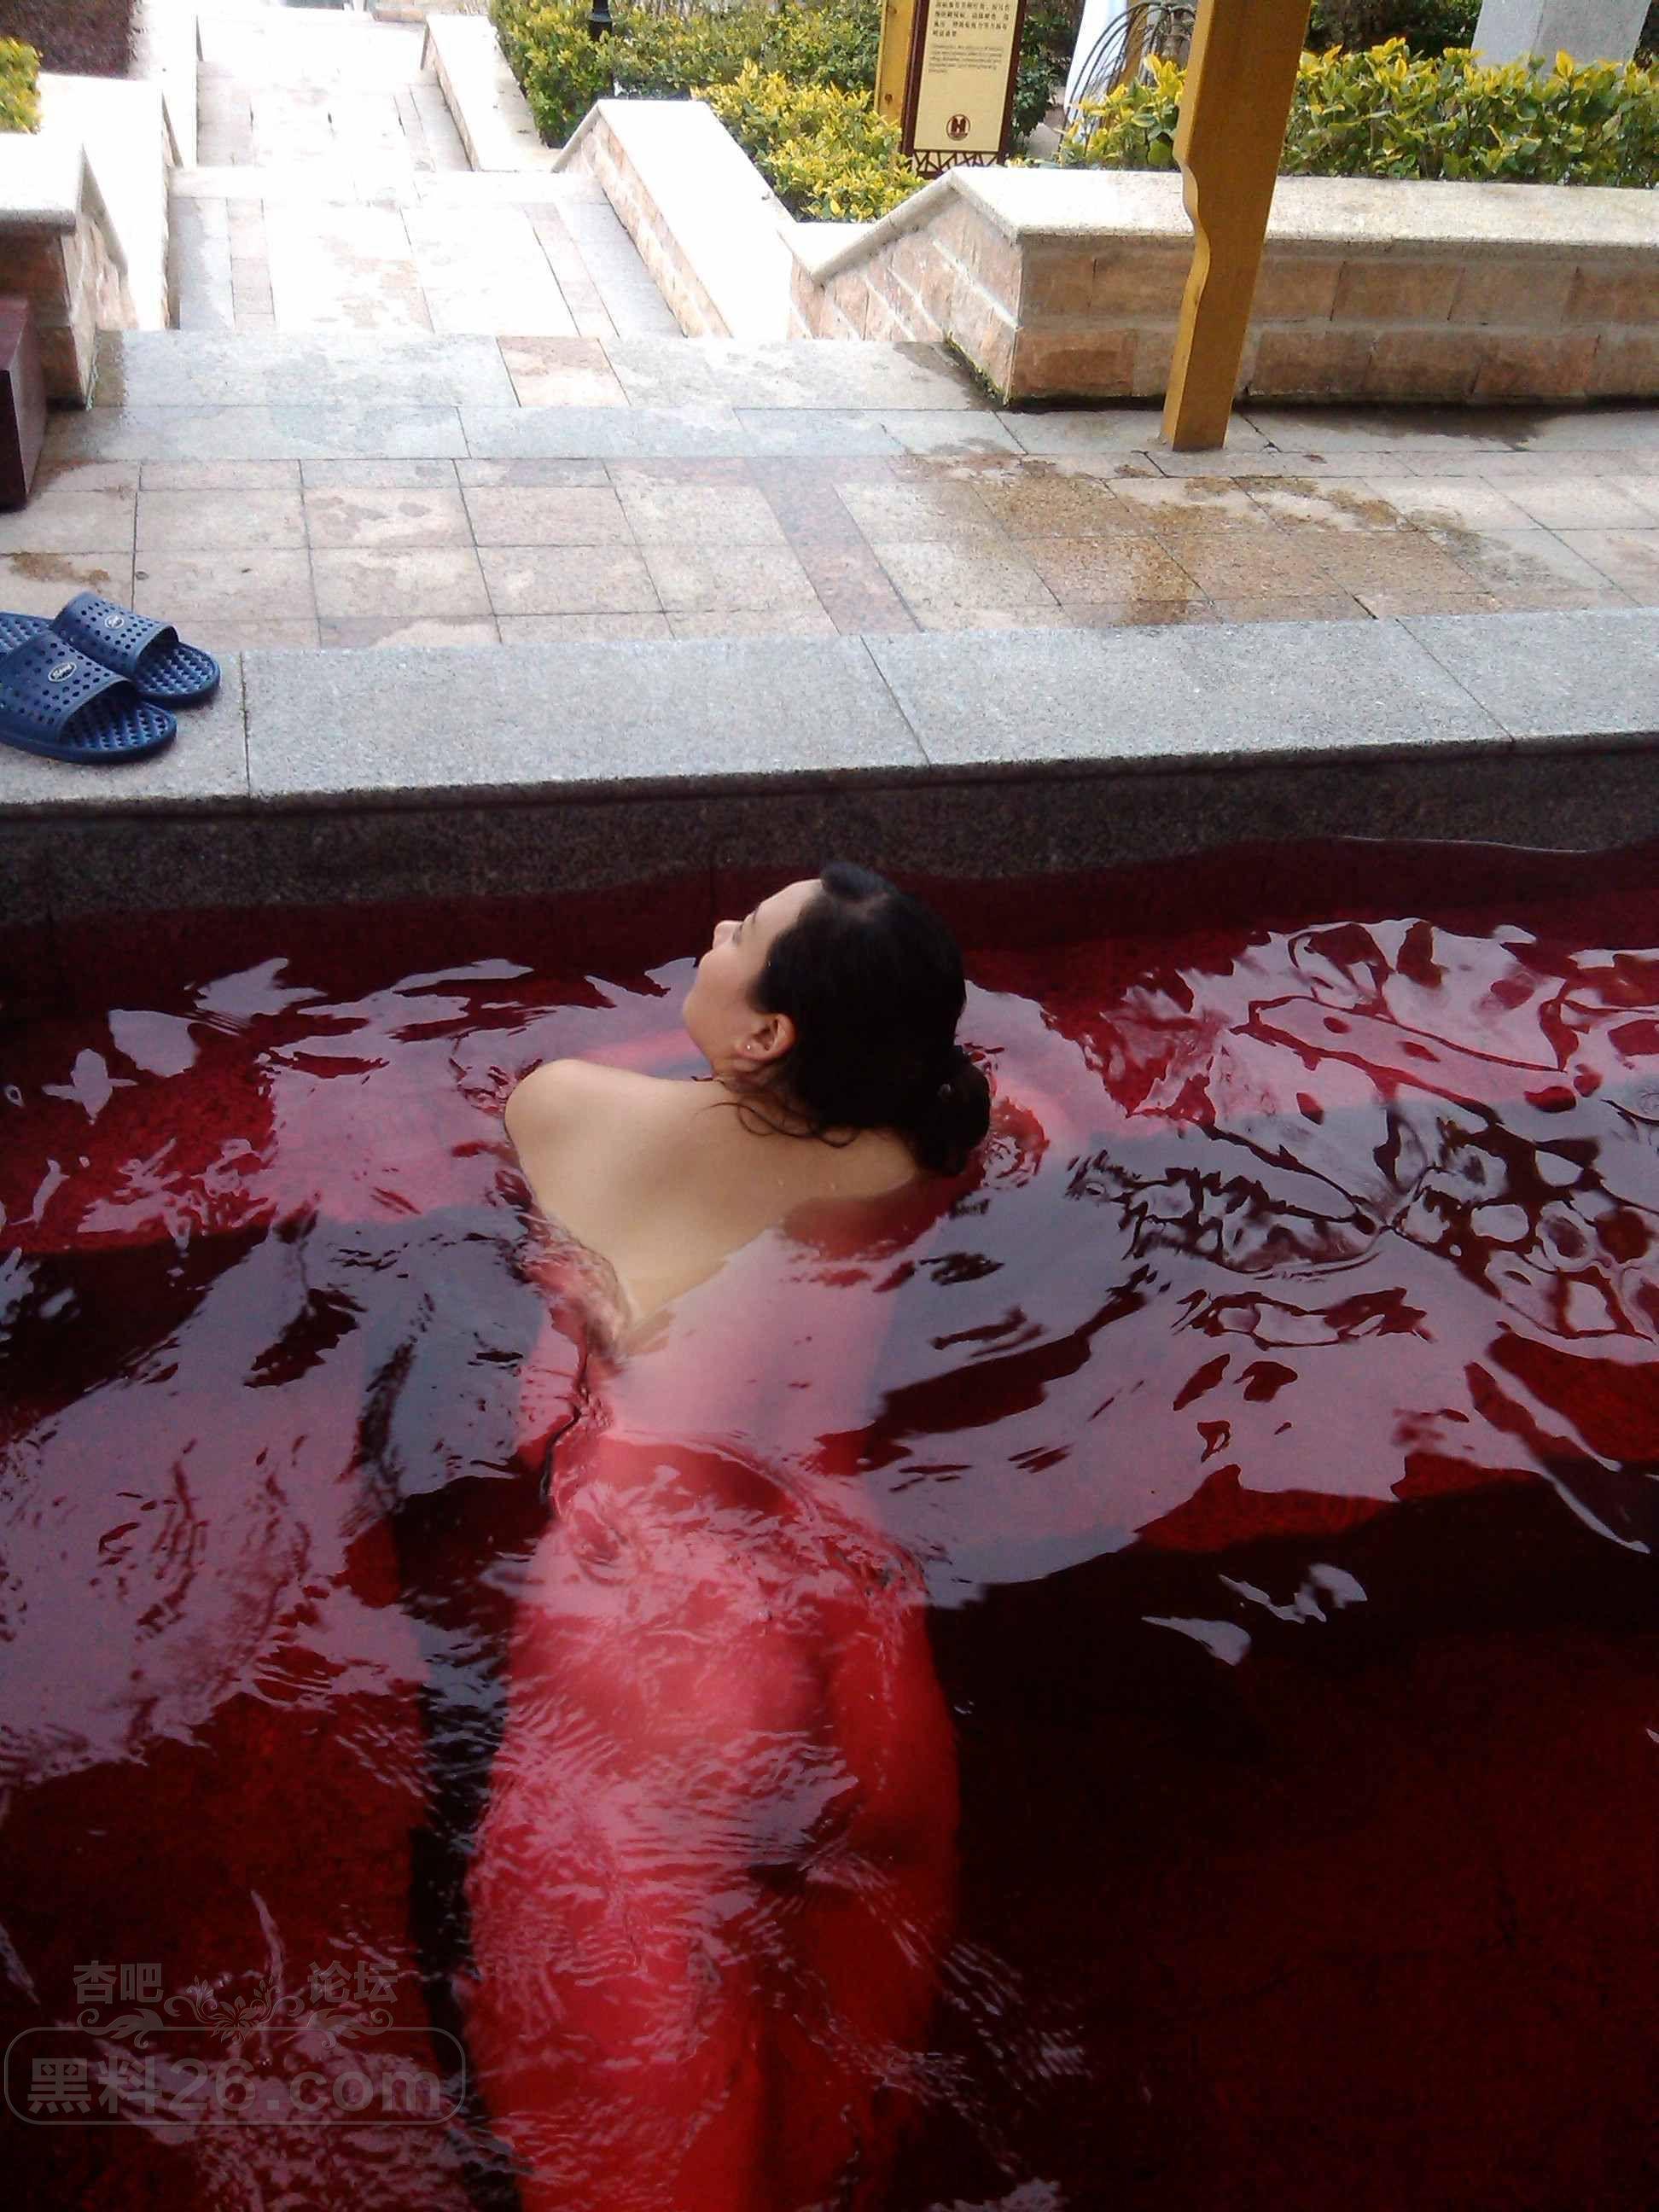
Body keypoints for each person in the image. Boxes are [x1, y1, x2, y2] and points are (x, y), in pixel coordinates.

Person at [463, 864, 992, 2212]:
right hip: (864, 1627)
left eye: (739, 935)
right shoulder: (919, 1147)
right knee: (844, 2116)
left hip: (670, 1635)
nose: (712, 934)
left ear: (769, 1033)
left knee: (644, 2149)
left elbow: (524, 1099)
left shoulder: (574, 1111)